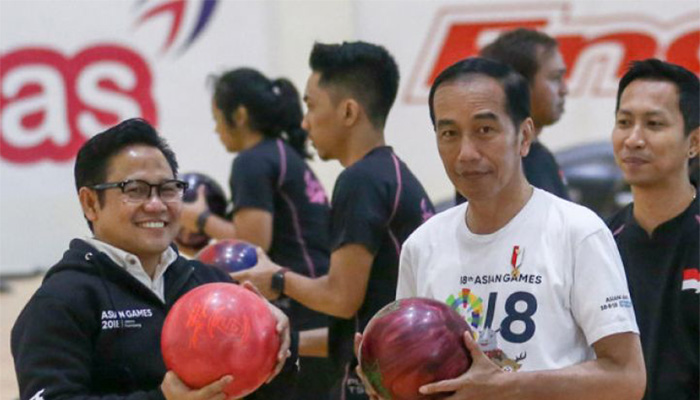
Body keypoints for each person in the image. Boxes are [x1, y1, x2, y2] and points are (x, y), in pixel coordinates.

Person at [374, 57, 645, 400]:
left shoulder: (579, 232)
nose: (466, 153)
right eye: (449, 134)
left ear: (524, 136)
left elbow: (627, 378)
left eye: (484, 130)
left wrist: (505, 386)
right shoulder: (421, 246)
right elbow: (416, 374)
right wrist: (387, 379)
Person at [11, 118, 295, 400]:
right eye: (135, 190)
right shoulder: (61, 301)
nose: (157, 205)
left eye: (168, 189)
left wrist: (278, 345)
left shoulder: (212, 283)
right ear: (90, 203)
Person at [232, 41, 435, 400]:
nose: (304, 121)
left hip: (372, 383)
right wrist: (278, 341)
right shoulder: (392, 174)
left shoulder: (360, 180)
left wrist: (276, 279)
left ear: (348, 111)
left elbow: (340, 297)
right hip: (400, 371)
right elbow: (355, 320)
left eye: (311, 105)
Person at [178, 68, 334, 399]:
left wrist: (198, 218)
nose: (216, 130)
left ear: (240, 115)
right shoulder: (283, 153)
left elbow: (253, 243)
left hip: (299, 310)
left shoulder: (251, 161)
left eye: (217, 118)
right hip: (320, 302)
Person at [607, 59, 699, 400]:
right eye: (624, 122)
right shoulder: (596, 241)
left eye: (654, 124)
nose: (633, 139)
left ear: (694, 142)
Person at [456, 28, 569, 204]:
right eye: (555, 78)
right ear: (519, 86)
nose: (564, 90)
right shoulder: (492, 166)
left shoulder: (540, 156)